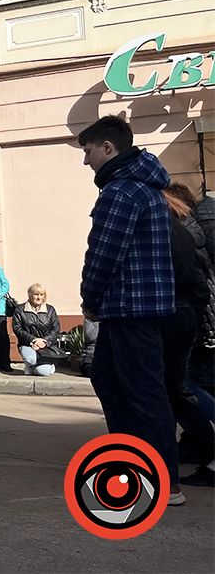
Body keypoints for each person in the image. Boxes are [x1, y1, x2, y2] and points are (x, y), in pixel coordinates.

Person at [77, 115, 181, 503]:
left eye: (88, 151)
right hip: (138, 306)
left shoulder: (121, 191)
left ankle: (163, 483)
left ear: (108, 148)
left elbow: (104, 254)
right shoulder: (146, 188)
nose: (86, 161)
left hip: (129, 308)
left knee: (142, 393)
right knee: (109, 379)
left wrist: (88, 297)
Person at [162, 190, 214, 488]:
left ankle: (206, 450)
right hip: (195, 315)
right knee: (184, 388)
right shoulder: (190, 226)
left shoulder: (177, 229)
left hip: (187, 317)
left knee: (182, 389)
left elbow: (193, 281)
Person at [11, 284, 63, 377]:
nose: (39, 297)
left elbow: (56, 329)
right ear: (30, 295)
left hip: (45, 346)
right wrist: (33, 340)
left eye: (41, 295)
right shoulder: (20, 309)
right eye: (36, 294)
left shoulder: (50, 310)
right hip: (27, 344)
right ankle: (30, 364)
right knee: (31, 360)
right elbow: (17, 328)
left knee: (44, 372)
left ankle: (36, 368)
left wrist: (44, 341)